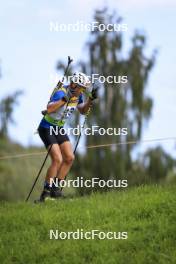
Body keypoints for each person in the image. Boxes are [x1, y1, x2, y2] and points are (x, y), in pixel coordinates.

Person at [38, 72, 97, 202]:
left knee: (69, 158)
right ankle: (45, 194)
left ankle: (55, 190)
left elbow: (83, 111)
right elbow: (49, 108)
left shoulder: (78, 95)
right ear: (74, 84)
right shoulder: (61, 92)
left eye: (84, 89)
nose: (82, 90)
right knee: (57, 159)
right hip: (46, 128)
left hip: (58, 128)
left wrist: (90, 100)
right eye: (81, 87)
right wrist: (65, 99)